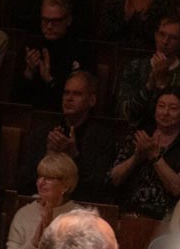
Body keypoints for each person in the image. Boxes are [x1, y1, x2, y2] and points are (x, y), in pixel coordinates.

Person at [17, 70, 116, 204]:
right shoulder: (43, 132)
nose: (69, 98)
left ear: (92, 100)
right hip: (40, 202)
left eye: (77, 94)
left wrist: (74, 156)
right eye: (66, 93)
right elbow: (23, 182)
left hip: (80, 207)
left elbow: (98, 189)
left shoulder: (102, 138)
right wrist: (48, 156)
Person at [110, 87, 180, 219]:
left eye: (173, 108)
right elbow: (114, 178)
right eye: (161, 106)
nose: (165, 113)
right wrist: (136, 157)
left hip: (168, 217)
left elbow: (179, 189)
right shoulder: (140, 135)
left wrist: (155, 156)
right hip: (129, 211)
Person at [3, 153, 82, 249]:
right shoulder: (24, 213)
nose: (40, 183)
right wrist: (33, 244)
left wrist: (50, 233)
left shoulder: (80, 219)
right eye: (40, 176)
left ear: (65, 186)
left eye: (49, 178)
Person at [116, 17, 180, 125]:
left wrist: (162, 86)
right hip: (137, 130)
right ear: (155, 36)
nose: (165, 41)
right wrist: (149, 86)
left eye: (173, 38)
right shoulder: (134, 67)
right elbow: (125, 113)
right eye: (161, 34)